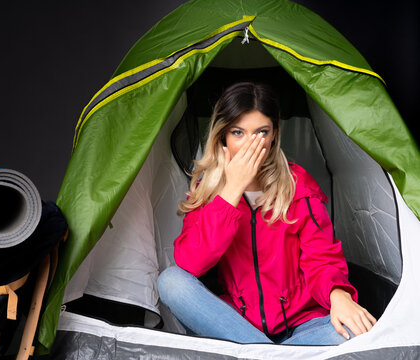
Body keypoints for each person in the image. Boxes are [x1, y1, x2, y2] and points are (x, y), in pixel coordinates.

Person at [157, 82, 377, 345]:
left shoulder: (298, 185)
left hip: (302, 323)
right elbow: (192, 263)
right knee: (170, 281)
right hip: (235, 323)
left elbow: (322, 258)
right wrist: (232, 190)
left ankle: (258, 353)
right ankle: (268, 352)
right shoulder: (206, 189)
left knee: (355, 334)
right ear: (222, 136)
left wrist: (338, 295)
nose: (250, 145)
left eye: (261, 132)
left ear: (274, 136)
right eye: (238, 132)